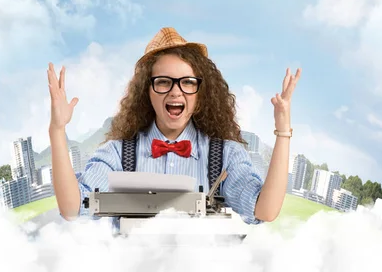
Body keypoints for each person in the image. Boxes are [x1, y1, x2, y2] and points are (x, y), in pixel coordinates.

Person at [47, 27, 301, 225]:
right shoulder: (118, 154)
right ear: (147, 91)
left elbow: (265, 211)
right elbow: (72, 208)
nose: (175, 91)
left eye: (187, 82)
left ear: (201, 93)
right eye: (163, 82)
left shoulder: (224, 155)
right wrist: (57, 131)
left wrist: (283, 132)